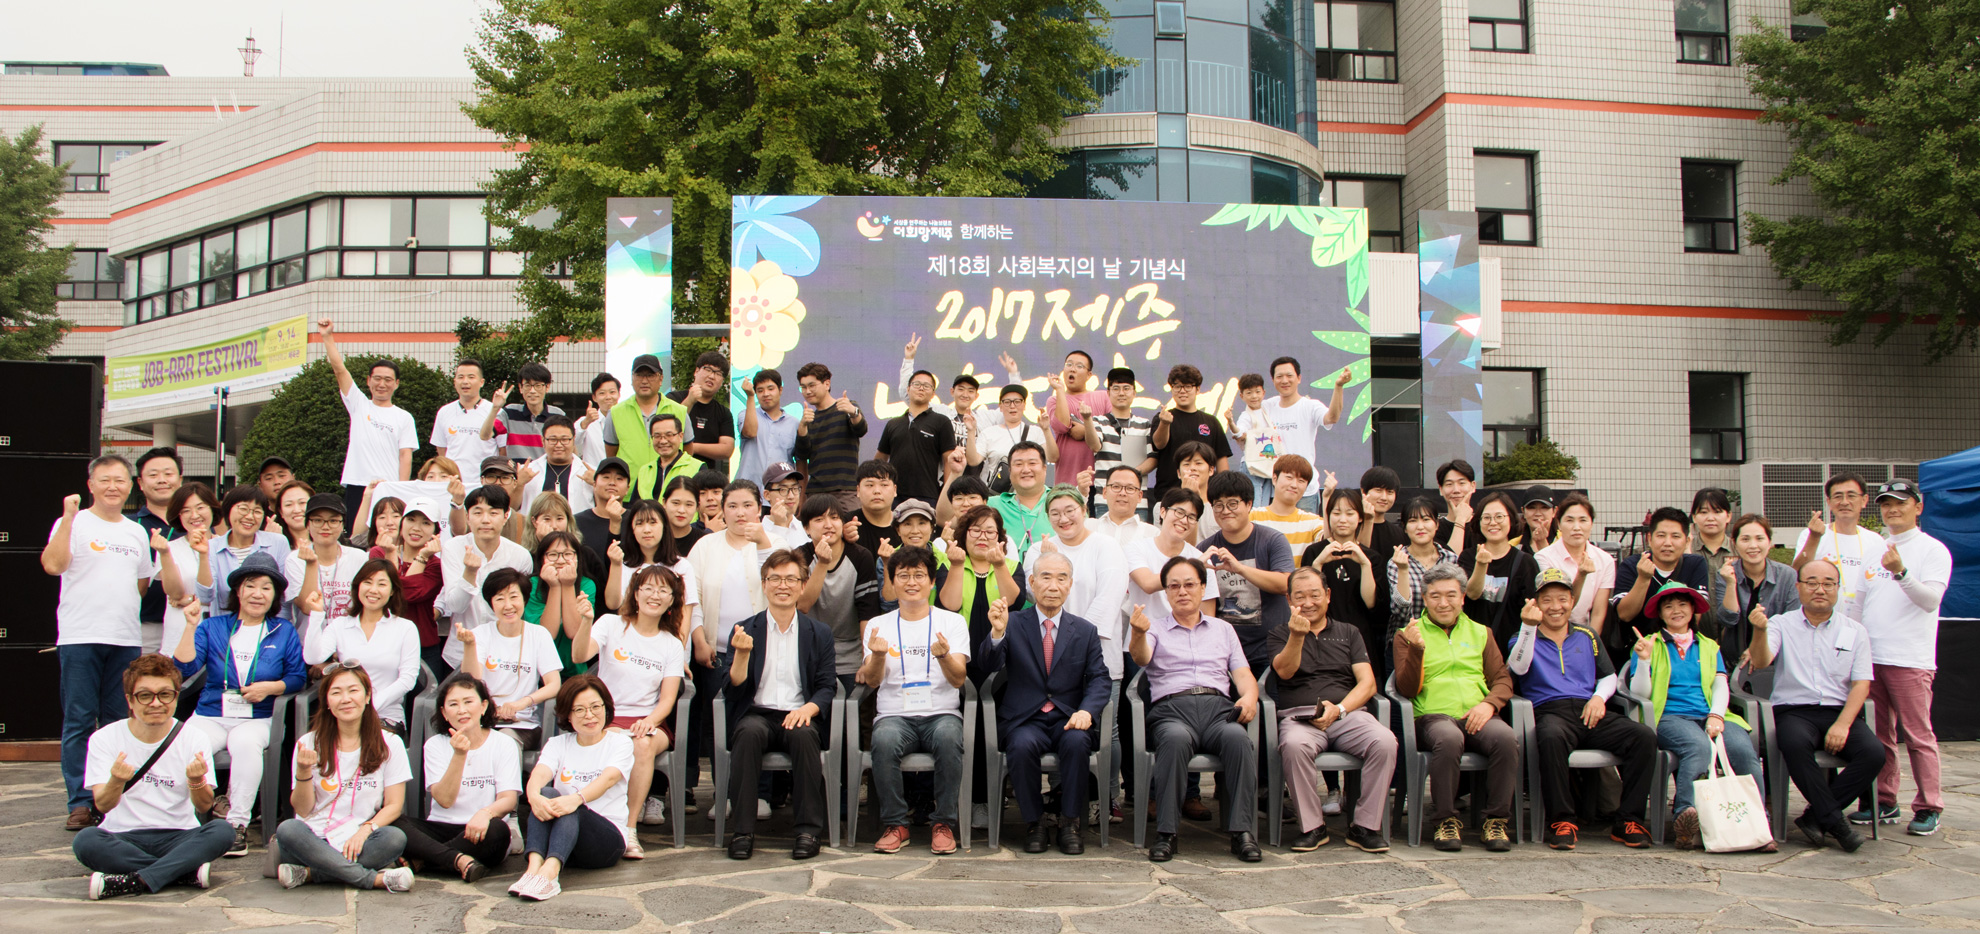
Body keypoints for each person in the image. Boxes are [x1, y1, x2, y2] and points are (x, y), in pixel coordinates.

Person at [1507, 569, 1656, 850]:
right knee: (1551, 738)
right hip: (1550, 711)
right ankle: (1562, 821)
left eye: (1562, 599)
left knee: (1643, 736)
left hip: (1590, 709)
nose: (1555, 607)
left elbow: (1608, 676)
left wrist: (1599, 698)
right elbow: (1518, 667)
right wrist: (1528, 627)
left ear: (1572, 601)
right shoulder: (1523, 636)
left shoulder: (1587, 635)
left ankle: (1628, 820)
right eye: (1547, 600)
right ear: (1536, 603)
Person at [172, 551, 309, 857]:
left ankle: (236, 824)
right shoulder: (213, 626)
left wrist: (270, 688)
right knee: (190, 743)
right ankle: (188, 820)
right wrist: (190, 626)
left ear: (274, 596)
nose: (257, 594)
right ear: (238, 591)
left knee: (246, 744)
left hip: (257, 717)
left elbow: (297, 677)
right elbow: (184, 668)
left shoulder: (283, 631)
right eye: (250, 585)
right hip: (211, 713)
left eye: (266, 587)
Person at [45, 455, 154, 832]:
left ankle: (111, 800)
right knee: (79, 719)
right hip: (80, 636)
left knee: (118, 721)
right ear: (90, 484)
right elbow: (53, 565)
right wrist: (68, 517)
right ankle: (79, 802)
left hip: (124, 638)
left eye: (120, 480)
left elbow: (142, 583)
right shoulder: (73, 522)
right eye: (105, 480)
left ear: (130, 486)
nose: (113, 487)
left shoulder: (135, 532)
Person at [1129, 557, 1261, 862]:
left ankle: (1242, 832)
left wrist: (1250, 698)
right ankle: (1167, 834)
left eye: (1189, 584)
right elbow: (1141, 658)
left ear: (1203, 588)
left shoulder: (1223, 629)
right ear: (1165, 592)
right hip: (1173, 710)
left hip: (1218, 709)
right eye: (1174, 586)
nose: (1182, 591)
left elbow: (1242, 674)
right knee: (1174, 740)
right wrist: (1137, 633)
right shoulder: (1155, 628)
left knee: (1238, 740)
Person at [977, 554, 1110, 854]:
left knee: (1077, 743)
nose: (1053, 586)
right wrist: (997, 633)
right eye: (1046, 577)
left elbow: (1100, 678)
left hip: (1068, 717)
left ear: (1070, 585)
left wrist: (1087, 711)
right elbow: (988, 664)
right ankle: (1034, 823)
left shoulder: (1085, 630)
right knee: (1021, 745)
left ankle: (1070, 822)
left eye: (1061, 578)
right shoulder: (1013, 622)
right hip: (1025, 718)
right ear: (1032, 583)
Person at [1747, 559, 1883, 852]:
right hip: (1794, 711)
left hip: (1838, 711)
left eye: (1828, 583)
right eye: (1812, 583)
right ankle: (1834, 821)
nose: (1820, 589)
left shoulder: (1855, 630)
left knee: (1873, 753)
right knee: (1794, 744)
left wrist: (1843, 724)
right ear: (1799, 587)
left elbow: (1861, 684)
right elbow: (1761, 661)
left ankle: (1815, 817)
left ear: (1837, 588)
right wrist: (1759, 631)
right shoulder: (1781, 623)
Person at [73, 654, 233, 900]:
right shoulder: (104, 738)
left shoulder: (194, 737)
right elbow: (102, 805)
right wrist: (116, 780)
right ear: (130, 700)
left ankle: (136, 879)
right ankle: (181, 871)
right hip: (122, 834)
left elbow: (204, 806)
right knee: (86, 841)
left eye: (165, 694)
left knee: (223, 831)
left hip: (179, 833)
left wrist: (196, 781)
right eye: (145, 696)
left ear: (176, 697)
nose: (156, 703)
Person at [1626, 581, 1768, 852]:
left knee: (1743, 749)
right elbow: (1639, 693)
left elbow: (1720, 685)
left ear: (1693, 610)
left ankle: (1758, 823)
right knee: (1698, 746)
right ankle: (1685, 816)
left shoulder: (1709, 646)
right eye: (1669, 606)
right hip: (1670, 717)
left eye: (1682, 605)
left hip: (1710, 714)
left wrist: (1716, 715)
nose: (1676, 611)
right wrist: (1643, 660)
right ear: (1661, 614)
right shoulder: (1649, 643)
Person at [722, 549, 839, 860]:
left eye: (790, 579)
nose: (782, 586)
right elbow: (733, 688)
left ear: (802, 585)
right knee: (747, 734)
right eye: (775, 579)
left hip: (800, 713)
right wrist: (742, 655)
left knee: (804, 736)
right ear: (764, 585)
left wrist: (807, 710)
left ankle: (807, 831)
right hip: (757, 713)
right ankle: (742, 831)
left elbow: (827, 685)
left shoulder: (819, 633)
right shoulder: (745, 628)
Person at [1270, 566, 1395, 853]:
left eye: (1315, 595)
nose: (1308, 602)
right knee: (1293, 746)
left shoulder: (1349, 632)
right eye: (1300, 596)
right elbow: (1284, 672)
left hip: (1347, 714)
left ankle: (1364, 826)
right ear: (1289, 600)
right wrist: (1296, 636)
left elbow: (1368, 684)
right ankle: (1313, 826)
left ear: (1327, 595)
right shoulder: (1279, 633)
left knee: (1385, 741)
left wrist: (1339, 709)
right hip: (1300, 718)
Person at [1394, 563, 1516, 853]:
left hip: (1477, 714)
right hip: (1432, 716)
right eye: (1435, 596)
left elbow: (1502, 680)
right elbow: (1407, 689)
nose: (1443, 603)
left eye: (1451, 595)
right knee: (1449, 738)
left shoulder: (1481, 632)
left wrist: (1488, 705)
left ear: (1462, 597)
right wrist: (1417, 650)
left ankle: (1496, 820)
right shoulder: (1408, 633)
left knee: (1506, 738)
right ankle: (1445, 820)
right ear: (1425, 599)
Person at [1854, 478, 1953, 836]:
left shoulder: (1933, 550)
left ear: (1918, 507)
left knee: (1917, 735)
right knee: (1878, 735)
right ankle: (1884, 800)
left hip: (1910, 658)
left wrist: (1901, 572)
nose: (1893, 509)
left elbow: (1931, 601)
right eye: (1886, 504)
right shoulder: (1873, 549)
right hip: (1872, 657)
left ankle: (1929, 806)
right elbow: (1858, 604)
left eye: (1901, 502)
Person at [570, 564, 687, 856]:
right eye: (648, 588)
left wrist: (649, 721)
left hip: (650, 721)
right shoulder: (611, 624)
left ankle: (629, 829)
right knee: (607, 740)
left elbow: (668, 699)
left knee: (642, 744)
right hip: (607, 717)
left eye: (663, 590)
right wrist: (586, 621)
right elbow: (579, 655)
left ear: (672, 600)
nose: (655, 595)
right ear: (636, 593)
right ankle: (594, 820)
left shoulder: (672, 644)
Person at [861, 546, 972, 855]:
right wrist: (878, 656)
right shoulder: (878, 625)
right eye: (903, 576)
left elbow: (958, 679)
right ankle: (896, 824)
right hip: (894, 715)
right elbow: (872, 681)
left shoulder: (952, 623)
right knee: (883, 741)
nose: (912, 582)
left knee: (949, 738)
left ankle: (943, 823)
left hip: (941, 713)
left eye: (919, 575)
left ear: (932, 582)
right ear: (892, 581)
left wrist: (945, 657)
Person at [275, 666, 415, 892]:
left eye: (353, 690)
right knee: (288, 829)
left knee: (394, 838)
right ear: (327, 702)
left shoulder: (390, 743)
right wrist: (303, 771)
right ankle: (371, 879)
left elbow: (394, 805)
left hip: (358, 841)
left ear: (367, 696)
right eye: (336, 692)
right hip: (312, 841)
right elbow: (302, 809)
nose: (346, 699)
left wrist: (364, 831)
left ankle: (311, 874)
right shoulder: (308, 743)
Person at [686, 482, 779, 810]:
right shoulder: (705, 546)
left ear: (759, 509)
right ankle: (724, 792)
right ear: (721, 510)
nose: (740, 513)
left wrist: (763, 542)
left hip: (766, 651)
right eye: (733, 506)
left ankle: (761, 793)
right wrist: (699, 639)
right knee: (721, 724)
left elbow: (782, 582)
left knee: (760, 719)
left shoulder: (773, 542)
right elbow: (692, 598)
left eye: (747, 505)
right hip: (718, 652)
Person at [512, 674, 633, 900]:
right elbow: (540, 773)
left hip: (605, 841)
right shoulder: (557, 744)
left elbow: (608, 779)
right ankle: (533, 868)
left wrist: (575, 799)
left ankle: (550, 874)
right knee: (546, 793)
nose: (589, 715)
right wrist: (533, 797)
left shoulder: (620, 743)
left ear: (606, 707)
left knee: (572, 804)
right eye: (579, 710)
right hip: (565, 841)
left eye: (595, 707)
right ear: (568, 714)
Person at [395, 673, 519, 881]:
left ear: (484, 706)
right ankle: (457, 860)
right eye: (453, 704)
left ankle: (425, 859)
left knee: (498, 830)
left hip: (482, 829)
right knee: (394, 822)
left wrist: (485, 813)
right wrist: (460, 755)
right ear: (444, 713)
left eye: (468, 702)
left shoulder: (504, 743)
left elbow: (508, 799)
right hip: (442, 828)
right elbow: (444, 800)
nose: (461, 710)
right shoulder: (435, 745)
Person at [303, 559, 422, 733]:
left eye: (382, 584)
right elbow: (312, 657)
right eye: (367, 582)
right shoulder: (340, 625)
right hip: (345, 712)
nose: (373, 590)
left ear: (392, 591)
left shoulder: (405, 628)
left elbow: (408, 679)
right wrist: (315, 614)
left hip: (384, 715)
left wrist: (367, 705)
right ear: (358, 586)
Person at [1020, 486, 1128, 677]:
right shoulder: (1038, 550)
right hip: (1050, 662)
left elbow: (1108, 600)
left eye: (1070, 511)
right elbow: (1031, 594)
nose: (1063, 519)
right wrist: (1047, 561)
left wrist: (1071, 643)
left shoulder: (1106, 546)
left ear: (1084, 510)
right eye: (1055, 513)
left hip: (1100, 660)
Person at [318, 318, 416, 526]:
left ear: (396, 384)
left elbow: (405, 455)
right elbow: (339, 370)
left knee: (389, 534)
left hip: (388, 487)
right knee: (356, 536)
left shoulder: (404, 417)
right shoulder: (359, 405)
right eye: (377, 378)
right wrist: (327, 337)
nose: (382, 384)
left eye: (388, 380)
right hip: (358, 483)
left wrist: (401, 488)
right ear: (368, 380)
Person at [1199, 470, 1295, 673]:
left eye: (1233, 503)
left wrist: (1240, 569)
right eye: (1218, 505)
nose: (1225, 511)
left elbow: (1285, 584)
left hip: (1272, 650)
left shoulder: (1272, 540)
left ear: (1249, 504)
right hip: (1227, 653)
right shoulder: (1205, 550)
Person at [458, 568, 565, 747]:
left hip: (522, 723)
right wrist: (469, 645)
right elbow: (471, 681)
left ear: (524, 599)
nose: (508, 605)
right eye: (500, 599)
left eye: (514, 597)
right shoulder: (480, 634)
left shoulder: (539, 634)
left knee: (504, 741)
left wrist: (521, 704)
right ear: (491, 604)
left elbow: (554, 684)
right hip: (482, 719)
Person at [439, 485, 535, 669]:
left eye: (493, 513)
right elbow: (455, 606)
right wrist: (469, 573)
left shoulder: (520, 556)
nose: (485, 520)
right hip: (460, 655)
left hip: (504, 656)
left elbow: (520, 609)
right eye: (477, 512)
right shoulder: (453, 548)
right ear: (467, 517)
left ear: (506, 516)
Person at [795, 494, 881, 691]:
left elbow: (867, 613)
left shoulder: (860, 557)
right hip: (809, 651)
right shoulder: (800, 557)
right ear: (806, 528)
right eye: (819, 519)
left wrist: (867, 659)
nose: (828, 525)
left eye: (834, 518)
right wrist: (822, 564)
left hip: (851, 652)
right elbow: (802, 606)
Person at [1301, 489, 1386, 685]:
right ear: (1328, 516)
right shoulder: (1314, 552)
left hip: (1361, 639)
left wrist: (1364, 564)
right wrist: (1318, 564)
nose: (1342, 519)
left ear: (1360, 517)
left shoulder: (1371, 557)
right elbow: (1307, 599)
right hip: (1321, 638)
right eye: (1336, 513)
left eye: (1350, 513)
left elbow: (1371, 603)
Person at [1612, 507, 1713, 656]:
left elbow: (1694, 616)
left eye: (1675, 536)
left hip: (1681, 651)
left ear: (1687, 541)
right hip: (1637, 650)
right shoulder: (1632, 565)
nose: (1667, 543)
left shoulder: (1695, 564)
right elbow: (1624, 615)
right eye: (1661, 535)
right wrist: (1643, 579)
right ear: (1649, 539)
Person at [1792, 472, 1887, 629]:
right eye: (1838, 496)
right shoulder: (1813, 534)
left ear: (1864, 500)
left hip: (1864, 625)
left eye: (1851, 496)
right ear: (1829, 502)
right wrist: (1814, 537)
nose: (1844, 502)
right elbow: (1795, 573)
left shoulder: (1875, 541)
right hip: (1821, 623)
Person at [1252, 359, 1349, 512]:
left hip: (1305, 491)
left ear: (1299, 378)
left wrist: (1339, 386)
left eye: (1289, 375)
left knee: (1306, 527)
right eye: (1279, 376)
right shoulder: (1266, 406)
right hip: (1275, 489)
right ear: (1273, 380)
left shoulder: (1310, 406)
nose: (1284, 380)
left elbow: (1332, 418)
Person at [371, 499, 448, 679]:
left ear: (435, 532)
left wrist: (422, 555)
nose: (416, 528)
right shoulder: (379, 552)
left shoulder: (436, 565)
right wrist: (391, 554)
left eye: (425, 523)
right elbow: (385, 594)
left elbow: (406, 594)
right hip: (383, 643)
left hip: (423, 647)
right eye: (411, 520)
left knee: (425, 696)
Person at [1459, 491, 1542, 646]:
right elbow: (1472, 594)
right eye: (1486, 518)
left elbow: (1533, 609)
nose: (1493, 523)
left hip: (1512, 647)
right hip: (1472, 647)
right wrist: (1481, 565)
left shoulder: (1526, 562)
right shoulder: (1468, 557)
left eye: (1499, 517)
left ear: (1511, 520)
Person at [1389, 496, 1459, 676]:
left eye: (1426, 519)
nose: (1420, 526)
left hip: (1446, 643)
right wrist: (1403, 569)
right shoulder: (1396, 560)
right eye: (1413, 521)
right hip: (1407, 644)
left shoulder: (1451, 559)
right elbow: (1400, 611)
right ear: (1405, 527)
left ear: (1437, 524)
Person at [1716, 513, 1798, 665]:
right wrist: (1731, 583)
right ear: (1734, 543)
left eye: (1759, 538)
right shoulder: (1725, 573)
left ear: (1770, 542)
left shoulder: (1787, 575)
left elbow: (1792, 624)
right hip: (1734, 663)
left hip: (1776, 661)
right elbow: (1728, 620)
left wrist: (1757, 649)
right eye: (1745, 539)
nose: (1753, 545)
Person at [792, 362, 869, 516]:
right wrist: (802, 428)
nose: (807, 391)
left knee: (850, 528)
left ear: (827, 384)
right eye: (803, 387)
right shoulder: (809, 418)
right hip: (816, 492)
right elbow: (803, 454)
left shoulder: (846, 407)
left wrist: (853, 412)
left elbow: (861, 429)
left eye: (812, 385)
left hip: (845, 490)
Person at [1533, 493, 1615, 637]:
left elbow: (1598, 612)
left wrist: (1590, 642)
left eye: (1583, 520)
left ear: (1591, 524)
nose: (1576, 527)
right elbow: (1558, 604)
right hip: (1551, 632)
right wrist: (1581, 575)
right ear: (1559, 524)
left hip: (1586, 633)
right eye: (1569, 520)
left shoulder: (1605, 560)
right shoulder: (1543, 557)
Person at [603, 353, 691, 481]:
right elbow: (611, 456)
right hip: (630, 489)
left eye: (650, 375)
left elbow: (688, 452)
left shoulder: (679, 411)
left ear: (661, 379)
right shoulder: (615, 413)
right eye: (639, 375)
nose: (644, 381)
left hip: (670, 488)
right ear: (632, 378)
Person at [1149, 364, 1232, 498]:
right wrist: (1165, 423)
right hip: (1169, 493)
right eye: (1177, 386)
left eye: (1188, 386)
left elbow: (1221, 459)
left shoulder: (1211, 422)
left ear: (1197, 389)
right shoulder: (1163, 417)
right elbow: (1159, 444)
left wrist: (1224, 492)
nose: (1182, 391)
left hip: (1205, 496)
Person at [877, 368, 958, 506]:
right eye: (917, 384)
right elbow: (880, 459)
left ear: (933, 393)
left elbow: (948, 460)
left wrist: (947, 495)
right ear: (908, 389)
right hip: (894, 496)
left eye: (927, 386)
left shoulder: (941, 421)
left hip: (927, 495)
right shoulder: (893, 424)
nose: (921, 388)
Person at [526, 531, 600, 679]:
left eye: (567, 554)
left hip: (575, 671)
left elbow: (574, 632)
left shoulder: (587, 585)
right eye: (553, 555)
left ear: (577, 558)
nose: (560, 560)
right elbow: (547, 633)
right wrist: (554, 587)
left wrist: (568, 585)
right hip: (538, 671)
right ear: (542, 558)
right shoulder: (532, 585)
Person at [155, 482, 220, 644]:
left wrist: (191, 599)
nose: (194, 515)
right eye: (185, 510)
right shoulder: (169, 548)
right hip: (180, 633)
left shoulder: (225, 546)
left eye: (200, 507)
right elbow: (174, 594)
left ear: (212, 508)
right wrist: (164, 553)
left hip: (220, 635)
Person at [133, 447, 184, 654]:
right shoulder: (129, 526)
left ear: (180, 480)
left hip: (186, 623)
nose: (162, 480)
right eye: (153, 475)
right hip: (142, 627)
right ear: (140, 483)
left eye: (168, 474)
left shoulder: (194, 525)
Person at [1083, 367, 1154, 514]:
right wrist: (1087, 419)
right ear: (1108, 393)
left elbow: (1153, 459)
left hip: (1137, 501)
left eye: (1126, 388)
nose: (1121, 393)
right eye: (1116, 388)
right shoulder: (1098, 421)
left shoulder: (1144, 424)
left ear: (1134, 393)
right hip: (1105, 501)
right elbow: (1094, 445)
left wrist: (1130, 475)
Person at [289, 493, 368, 622]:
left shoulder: (359, 558)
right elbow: (307, 608)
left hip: (349, 633)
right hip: (309, 634)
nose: (325, 527)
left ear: (342, 525)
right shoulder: (296, 559)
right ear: (307, 524)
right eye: (318, 520)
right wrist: (311, 564)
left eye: (333, 521)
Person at [1039, 350, 1110, 488]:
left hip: (1100, 481)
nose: (1072, 369)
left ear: (1089, 375)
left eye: (1079, 366)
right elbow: (1062, 426)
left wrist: (1085, 431)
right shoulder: (1054, 400)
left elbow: (1114, 431)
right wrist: (1060, 390)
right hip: (1067, 479)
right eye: (1069, 364)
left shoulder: (1103, 397)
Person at [977, 383, 1058, 493]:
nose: (1012, 406)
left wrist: (1046, 429)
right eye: (1007, 402)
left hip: (1028, 493)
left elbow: (1053, 457)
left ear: (1024, 405)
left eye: (1017, 401)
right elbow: (974, 461)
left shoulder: (1035, 432)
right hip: (998, 495)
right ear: (1000, 406)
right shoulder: (989, 433)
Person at [483, 363, 566, 465]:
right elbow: (485, 436)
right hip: (518, 473)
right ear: (520, 388)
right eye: (527, 385)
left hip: (547, 472)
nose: (532, 391)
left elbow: (568, 447)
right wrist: (495, 408)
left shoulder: (558, 415)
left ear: (547, 387)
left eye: (538, 386)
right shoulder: (510, 413)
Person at [666, 351, 738, 463]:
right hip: (674, 467)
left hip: (706, 471)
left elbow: (727, 450)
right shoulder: (673, 398)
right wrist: (690, 400)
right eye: (708, 369)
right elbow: (668, 428)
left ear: (722, 381)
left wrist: (691, 447)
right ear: (696, 371)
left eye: (718, 374)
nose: (712, 376)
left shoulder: (723, 413)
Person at [1252, 454, 1327, 560]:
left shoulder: (1312, 522)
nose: (1294, 485)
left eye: (1301, 481)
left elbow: (1329, 540)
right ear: (1274, 479)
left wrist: (1327, 498)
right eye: (1289, 478)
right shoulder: (1252, 517)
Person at [431, 358, 502, 469]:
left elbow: (503, 449)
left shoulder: (496, 411)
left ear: (481, 382)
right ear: (455, 382)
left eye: (471, 377)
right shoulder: (444, 412)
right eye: (461, 377)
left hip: (485, 478)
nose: (465, 381)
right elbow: (441, 449)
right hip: (454, 478)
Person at [738, 368, 801, 490]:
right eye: (760, 390)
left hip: (780, 492)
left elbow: (800, 461)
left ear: (780, 390)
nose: (766, 394)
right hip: (748, 491)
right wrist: (750, 396)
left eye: (770, 389)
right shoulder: (745, 414)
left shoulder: (794, 423)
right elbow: (750, 432)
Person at [519, 415, 594, 515]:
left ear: (573, 440)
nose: (559, 445)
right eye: (553, 440)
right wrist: (519, 484)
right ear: (543, 441)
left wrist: (596, 483)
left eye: (564, 439)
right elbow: (511, 507)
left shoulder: (590, 472)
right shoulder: (527, 471)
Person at [990, 441, 1053, 555]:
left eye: (1032, 463)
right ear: (1010, 471)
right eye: (1018, 464)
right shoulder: (991, 506)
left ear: (1044, 468)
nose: (1026, 470)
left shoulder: (1062, 501)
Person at [575, 457, 632, 577]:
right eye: (606, 477)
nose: (612, 482)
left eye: (619, 479)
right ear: (594, 484)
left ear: (627, 488)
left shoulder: (636, 520)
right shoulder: (577, 522)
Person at [631, 413, 705, 502]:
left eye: (669, 435)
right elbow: (634, 506)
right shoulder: (645, 471)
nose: (663, 441)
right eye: (657, 436)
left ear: (680, 436)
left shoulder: (697, 468)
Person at [1690, 488, 1736, 614]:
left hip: (1733, 623)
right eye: (1704, 512)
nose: (1710, 518)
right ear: (1694, 517)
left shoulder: (1739, 549)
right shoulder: (1687, 550)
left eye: (1717, 512)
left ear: (1728, 516)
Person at [1089, 465, 1157, 546]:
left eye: (1130, 488)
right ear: (1105, 492)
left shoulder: (1153, 535)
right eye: (1116, 487)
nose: (1122, 493)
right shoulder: (1088, 527)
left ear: (1139, 496)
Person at [1356, 466, 1408, 557]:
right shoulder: (1350, 528)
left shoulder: (1400, 534)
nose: (1384, 497)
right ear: (1363, 491)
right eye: (1378, 490)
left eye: (1390, 492)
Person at [760, 462, 811, 547]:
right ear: (767, 495)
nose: (791, 496)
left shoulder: (805, 529)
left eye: (795, 488)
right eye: (783, 490)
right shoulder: (759, 532)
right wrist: (779, 526)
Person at [1432, 459, 1477, 553]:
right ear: (1441, 489)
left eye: (1462, 483)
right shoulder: (1434, 529)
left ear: (1473, 486)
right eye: (1449, 484)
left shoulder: (1484, 524)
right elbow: (1450, 559)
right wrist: (1460, 519)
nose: (1456, 490)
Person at [577, 372, 621, 466]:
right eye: (602, 393)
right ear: (594, 397)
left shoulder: (626, 420)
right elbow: (573, 440)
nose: (608, 397)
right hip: (593, 474)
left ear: (619, 394)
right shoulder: (585, 422)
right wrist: (586, 422)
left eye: (612, 392)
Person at [665, 476, 711, 556]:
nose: (681, 510)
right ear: (664, 502)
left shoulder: (705, 541)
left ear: (697, 507)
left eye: (689, 505)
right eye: (676, 503)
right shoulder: (652, 538)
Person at [274, 480, 315, 550]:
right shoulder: (275, 545)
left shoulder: (329, 541)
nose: (297, 510)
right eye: (289, 504)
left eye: (302, 502)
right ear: (281, 512)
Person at [1518, 485, 1557, 556]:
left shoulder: (1565, 542)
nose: (1538, 513)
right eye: (1532, 507)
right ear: (1523, 511)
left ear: (1554, 511)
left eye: (1544, 507)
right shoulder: (1514, 546)